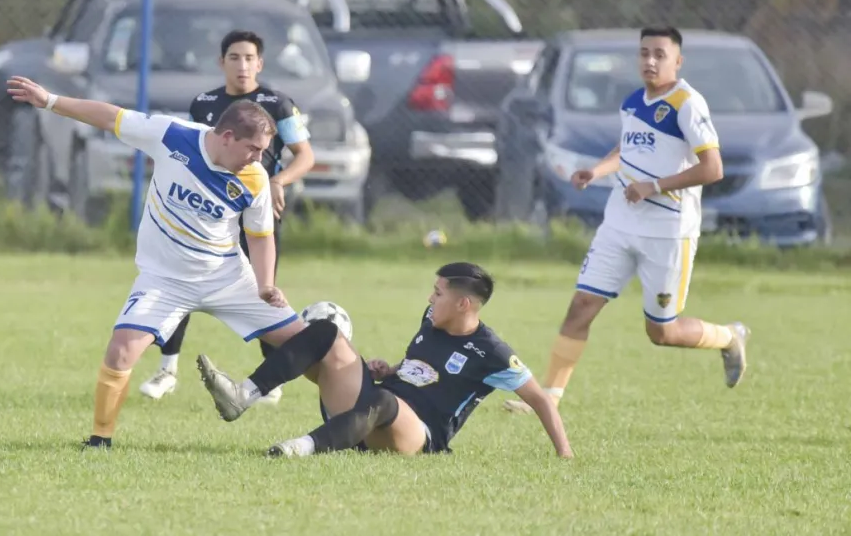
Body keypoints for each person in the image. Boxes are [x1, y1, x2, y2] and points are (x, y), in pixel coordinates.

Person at [6, 76, 308, 449]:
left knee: (310, 344)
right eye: (254, 149)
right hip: (165, 281)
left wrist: (265, 284)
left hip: (229, 279)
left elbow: (261, 237)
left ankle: (354, 420)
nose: (259, 158)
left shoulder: (255, 178)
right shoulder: (172, 135)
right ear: (226, 136)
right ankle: (100, 440)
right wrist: (50, 100)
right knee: (120, 351)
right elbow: (109, 116)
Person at [502, 26, 750, 416]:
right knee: (581, 305)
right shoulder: (634, 101)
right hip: (619, 224)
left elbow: (713, 168)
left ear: (677, 61)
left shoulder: (687, 104)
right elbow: (629, 146)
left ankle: (729, 337)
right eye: (644, 53)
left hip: (668, 233)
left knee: (662, 332)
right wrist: (597, 171)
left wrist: (654, 186)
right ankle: (548, 398)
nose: (650, 61)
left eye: (659, 55)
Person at [195, 262, 573, 459]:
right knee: (326, 331)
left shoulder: (492, 352)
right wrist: (390, 369)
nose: (430, 298)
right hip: (368, 413)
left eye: (438, 293)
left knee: (384, 402)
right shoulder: (431, 319)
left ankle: (302, 447)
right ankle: (243, 394)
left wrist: (565, 455)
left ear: (464, 304)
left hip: (415, 436)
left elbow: (540, 399)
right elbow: (422, 368)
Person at [140, 30, 315, 405]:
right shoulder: (204, 104)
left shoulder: (279, 104)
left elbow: (306, 155)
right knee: (180, 277)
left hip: (254, 213)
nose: (242, 65)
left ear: (260, 63)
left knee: (262, 290)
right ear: (222, 63)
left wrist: (278, 181)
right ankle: (167, 369)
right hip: (205, 214)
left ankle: (271, 379)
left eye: (250, 58)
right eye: (234, 57)